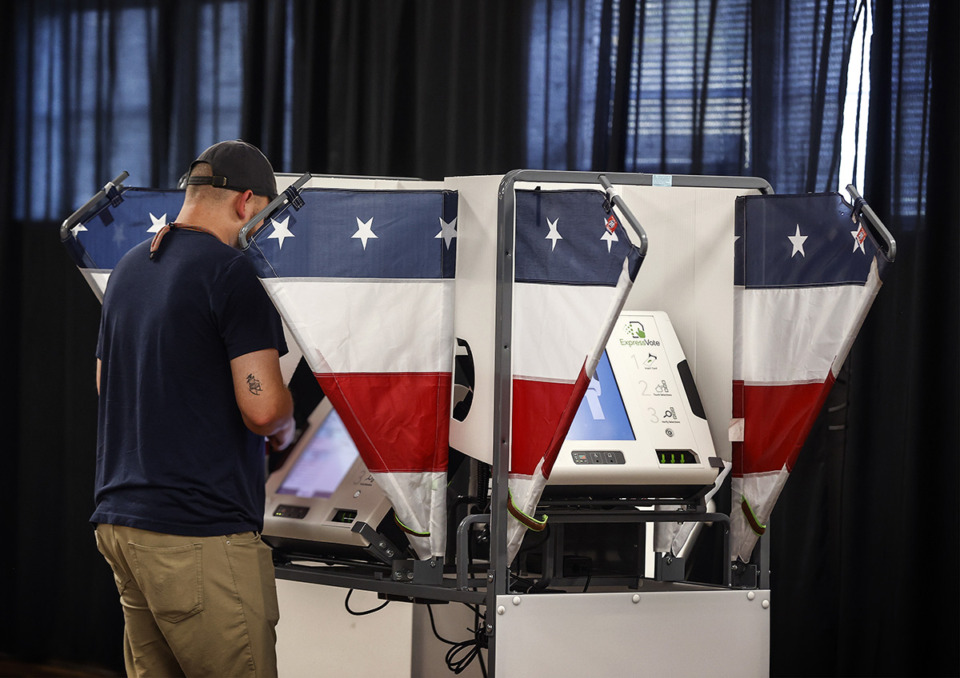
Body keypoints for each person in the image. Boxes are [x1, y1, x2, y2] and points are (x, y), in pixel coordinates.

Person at [92, 140, 295, 677]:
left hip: (122, 523)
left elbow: (102, 382)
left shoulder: (129, 269)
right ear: (245, 201)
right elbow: (262, 409)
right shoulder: (233, 274)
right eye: (265, 216)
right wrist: (285, 418)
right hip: (198, 533)